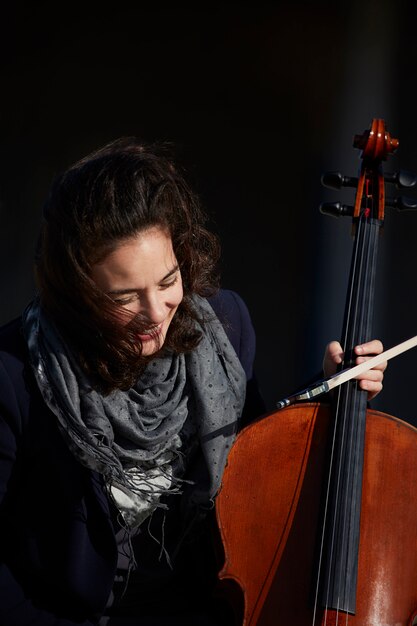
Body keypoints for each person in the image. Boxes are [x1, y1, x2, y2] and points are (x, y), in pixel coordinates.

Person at [0, 138, 385, 626]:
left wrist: (331, 390)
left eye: (167, 281)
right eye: (123, 297)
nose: (155, 313)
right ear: (77, 289)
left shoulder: (224, 324)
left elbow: (249, 460)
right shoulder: (13, 375)